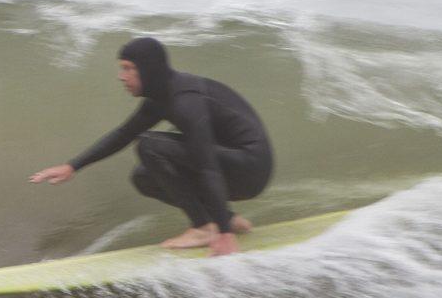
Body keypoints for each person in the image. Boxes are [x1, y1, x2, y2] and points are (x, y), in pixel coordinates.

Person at [28, 36, 272, 257]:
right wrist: (72, 166)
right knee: (144, 177)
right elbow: (123, 134)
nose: (121, 77)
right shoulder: (161, 98)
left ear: (148, 69)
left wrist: (224, 237)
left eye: (128, 69)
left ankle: (204, 227)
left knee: (150, 145)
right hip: (230, 164)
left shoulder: (186, 101)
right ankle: (228, 221)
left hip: (250, 167)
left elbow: (208, 167)